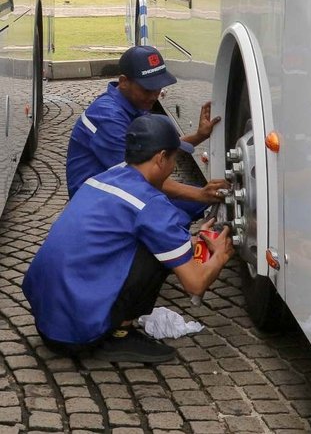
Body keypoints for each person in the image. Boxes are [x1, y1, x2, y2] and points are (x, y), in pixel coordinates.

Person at [22, 114, 234, 363]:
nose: (174, 166)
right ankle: (120, 335)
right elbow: (196, 283)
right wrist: (219, 255)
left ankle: (107, 322)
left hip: (46, 322)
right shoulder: (151, 205)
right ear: (160, 158)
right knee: (159, 247)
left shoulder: (105, 177)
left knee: (161, 241)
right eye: (174, 158)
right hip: (77, 334)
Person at [66, 45, 228, 219]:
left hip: (113, 189)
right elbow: (142, 175)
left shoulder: (133, 104)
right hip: (95, 205)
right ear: (123, 82)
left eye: (158, 88)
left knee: (190, 206)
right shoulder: (108, 117)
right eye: (147, 89)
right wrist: (200, 194)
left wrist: (199, 135)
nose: (154, 96)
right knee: (175, 215)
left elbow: (158, 148)